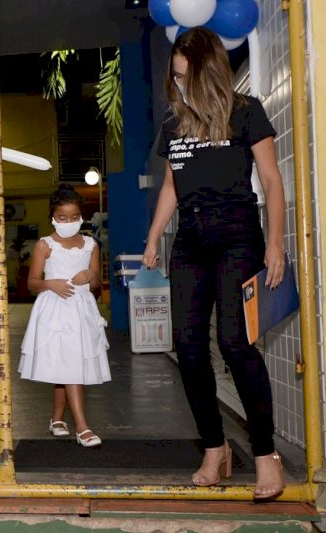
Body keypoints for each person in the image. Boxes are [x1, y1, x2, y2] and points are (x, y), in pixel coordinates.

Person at [142, 27, 286, 500]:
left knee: (234, 343)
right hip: (190, 241)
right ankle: (215, 446)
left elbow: (271, 178)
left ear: (208, 72)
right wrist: (153, 238)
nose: (179, 85)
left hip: (237, 236)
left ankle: (265, 455)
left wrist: (276, 244)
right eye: (175, 77)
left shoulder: (246, 113)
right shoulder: (173, 123)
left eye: (186, 76)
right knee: (186, 346)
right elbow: (170, 187)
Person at [19, 184, 110, 447]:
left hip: (81, 310)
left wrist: (90, 276)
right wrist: (52, 284)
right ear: (52, 217)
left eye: (73, 217)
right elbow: (32, 283)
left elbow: (96, 283)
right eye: (62, 218)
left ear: (81, 216)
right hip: (55, 310)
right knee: (70, 368)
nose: (68, 222)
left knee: (69, 365)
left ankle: (57, 418)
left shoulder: (90, 245)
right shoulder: (44, 245)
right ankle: (82, 428)